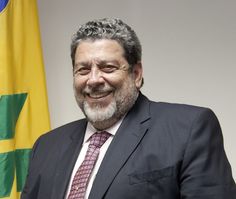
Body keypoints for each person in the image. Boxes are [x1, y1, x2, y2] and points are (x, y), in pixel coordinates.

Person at [21, 18, 236, 199]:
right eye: (83, 69)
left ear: (136, 74)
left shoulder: (189, 129)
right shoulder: (46, 146)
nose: (94, 79)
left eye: (108, 67)